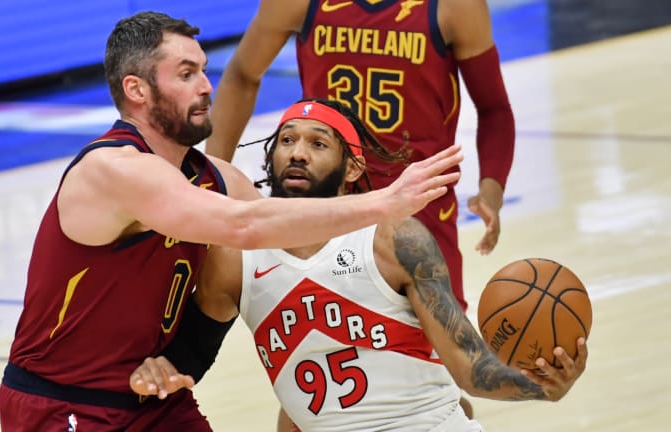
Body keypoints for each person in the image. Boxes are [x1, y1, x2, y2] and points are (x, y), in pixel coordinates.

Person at [0, 12, 464, 432]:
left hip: (156, 397)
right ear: (137, 90)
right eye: (186, 74)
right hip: (65, 401)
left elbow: (288, 242)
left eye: (204, 69)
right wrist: (384, 203)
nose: (206, 86)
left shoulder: (215, 178)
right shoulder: (113, 169)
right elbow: (244, 226)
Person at [131, 99, 587, 432]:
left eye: (317, 143)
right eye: (287, 140)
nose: (297, 153)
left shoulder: (393, 239)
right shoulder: (234, 259)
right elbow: (190, 356)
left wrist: (540, 385)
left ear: (352, 169)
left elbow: (472, 369)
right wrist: (158, 369)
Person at [204, 0, 515, 416]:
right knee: (312, 375)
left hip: (417, 220)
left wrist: (492, 187)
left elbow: (494, 107)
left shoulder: (453, 7)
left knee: (442, 378)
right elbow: (243, 73)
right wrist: (214, 180)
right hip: (325, 214)